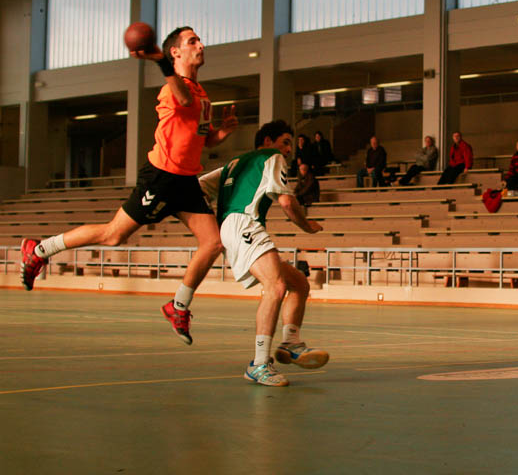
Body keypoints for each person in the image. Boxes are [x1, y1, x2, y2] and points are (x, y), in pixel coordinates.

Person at [20, 26, 237, 345]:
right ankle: (38, 250)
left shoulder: (202, 94)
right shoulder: (174, 89)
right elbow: (180, 95)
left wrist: (224, 132)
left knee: (213, 243)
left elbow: (202, 139)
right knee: (114, 235)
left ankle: (177, 305)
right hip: (162, 177)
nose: (201, 45)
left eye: (199, 39)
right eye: (192, 41)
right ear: (175, 52)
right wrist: (160, 62)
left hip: (186, 179)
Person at [198, 120, 327, 387]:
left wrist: (211, 224)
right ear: (267, 142)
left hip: (231, 226)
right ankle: (258, 364)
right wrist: (307, 225)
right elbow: (287, 203)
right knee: (276, 286)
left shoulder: (236, 163)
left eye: (290, 144)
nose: (289, 150)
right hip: (244, 223)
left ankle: (291, 343)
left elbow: (198, 186)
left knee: (298, 284)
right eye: (285, 142)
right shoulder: (273, 157)